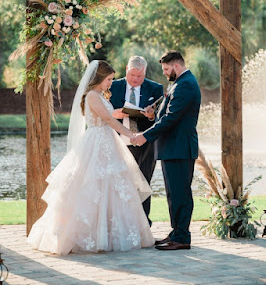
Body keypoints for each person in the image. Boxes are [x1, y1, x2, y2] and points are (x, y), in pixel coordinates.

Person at [27, 60, 154, 255]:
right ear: (99, 78)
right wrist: (132, 135)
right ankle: (87, 234)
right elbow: (108, 120)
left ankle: (109, 233)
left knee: (112, 186)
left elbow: (109, 115)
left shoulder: (100, 95)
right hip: (97, 142)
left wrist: (120, 115)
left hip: (107, 141)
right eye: (109, 79)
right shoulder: (93, 95)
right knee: (92, 185)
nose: (111, 83)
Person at [132, 51, 201, 250]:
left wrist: (145, 135)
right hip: (173, 148)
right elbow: (165, 115)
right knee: (173, 193)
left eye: (166, 69)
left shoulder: (185, 84)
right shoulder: (179, 83)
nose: (164, 73)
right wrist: (153, 115)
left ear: (176, 66)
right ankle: (176, 232)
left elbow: (171, 119)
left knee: (180, 194)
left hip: (179, 148)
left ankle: (182, 237)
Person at [110, 56, 163, 225]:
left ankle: (142, 223)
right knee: (117, 182)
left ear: (145, 73)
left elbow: (161, 120)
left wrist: (152, 115)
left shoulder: (155, 88)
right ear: (126, 69)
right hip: (117, 142)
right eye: (132, 75)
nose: (135, 79)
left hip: (144, 145)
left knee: (143, 183)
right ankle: (120, 222)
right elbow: (100, 111)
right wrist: (114, 114)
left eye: (139, 76)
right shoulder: (113, 86)